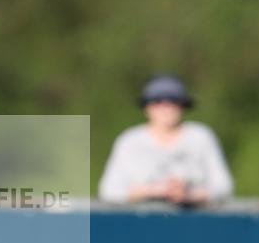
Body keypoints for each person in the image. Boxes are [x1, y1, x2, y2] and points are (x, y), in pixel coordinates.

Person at [98, 75, 233, 205]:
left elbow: (223, 187)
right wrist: (156, 191)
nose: (166, 108)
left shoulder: (201, 137)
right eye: (158, 102)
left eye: (173, 102)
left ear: (182, 106)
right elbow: (109, 191)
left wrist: (189, 195)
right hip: (140, 224)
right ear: (147, 107)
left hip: (193, 224)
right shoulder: (129, 141)